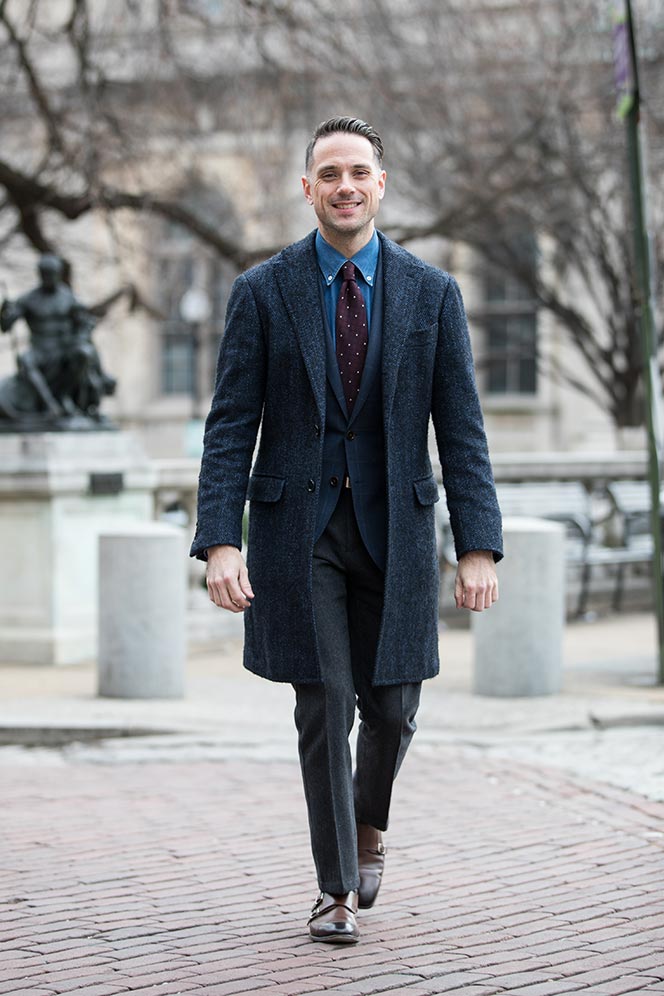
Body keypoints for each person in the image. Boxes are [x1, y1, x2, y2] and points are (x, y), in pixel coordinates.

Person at [190, 117, 503, 944]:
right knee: (325, 702)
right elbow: (231, 424)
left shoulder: (432, 293)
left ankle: (369, 825)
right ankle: (334, 890)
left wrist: (478, 543)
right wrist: (220, 537)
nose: (345, 186)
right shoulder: (264, 290)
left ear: (381, 182)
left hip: (398, 530)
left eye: (359, 171)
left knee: (395, 706)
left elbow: (461, 427)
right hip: (300, 536)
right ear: (308, 188)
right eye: (329, 173)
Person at [0, 254, 115, 420]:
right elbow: (6, 326)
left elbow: (85, 325)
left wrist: (83, 336)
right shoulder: (29, 299)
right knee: (25, 360)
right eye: (45, 274)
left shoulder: (68, 298)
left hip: (63, 348)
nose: (49, 278)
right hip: (39, 349)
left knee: (83, 353)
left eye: (52, 273)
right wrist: (4, 312)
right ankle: (50, 405)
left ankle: (63, 396)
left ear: (58, 274)